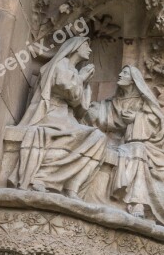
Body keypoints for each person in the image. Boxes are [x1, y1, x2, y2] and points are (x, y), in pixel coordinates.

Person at [9, 37, 107, 199]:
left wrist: (84, 83)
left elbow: (79, 106)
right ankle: (41, 178)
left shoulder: (74, 71)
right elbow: (65, 89)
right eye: (86, 46)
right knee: (72, 135)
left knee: (98, 137)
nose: (89, 50)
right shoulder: (59, 64)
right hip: (51, 114)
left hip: (66, 117)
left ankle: (72, 185)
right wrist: (81, 80)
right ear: (75, 47)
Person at [87, 66, 164, 225]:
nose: (120, 74)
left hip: (142, 145)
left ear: (134, 80)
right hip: (115, 142)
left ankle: (137, 203)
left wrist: (137, 118)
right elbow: (100, 116)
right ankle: (136, 204)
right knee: (134, 149)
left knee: (140, 151)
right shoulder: (112, 103)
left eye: (125, 73)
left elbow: (158, 123)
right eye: (121, 72)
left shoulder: (144, 103)